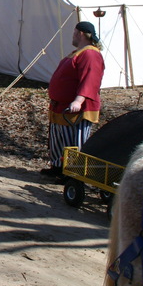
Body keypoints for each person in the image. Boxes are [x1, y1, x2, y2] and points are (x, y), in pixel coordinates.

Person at [42, 21, 105, 179]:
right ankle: (58, 167)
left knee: (74, 143)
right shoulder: (77, 53)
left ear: (80, 34)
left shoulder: (90, 54)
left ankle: (73, 175)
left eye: (74, 33)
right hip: (60, 107)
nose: (73, 36)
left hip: (77, 110)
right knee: (59, 140)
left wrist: (78, 100)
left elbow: (90, 79)